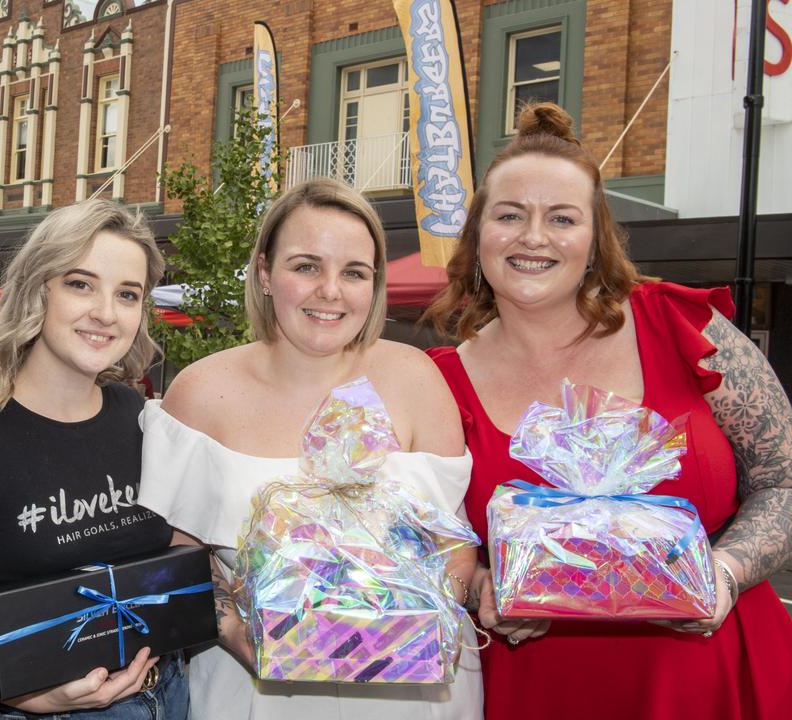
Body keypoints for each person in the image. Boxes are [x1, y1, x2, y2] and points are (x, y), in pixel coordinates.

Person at [423, 102, 792, 720]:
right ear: (477, 235)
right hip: (535, 688)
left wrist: (723, 574)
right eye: (510, 215)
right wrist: (478, 587)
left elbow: (784, 479)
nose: (533, 237)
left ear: (595, 240)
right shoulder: (436, 383)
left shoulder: (684, 327)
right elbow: (424, 541)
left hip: (711, 676)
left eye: (561, 218)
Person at [137, 178, 483, 719]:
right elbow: (181, 556)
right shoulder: (201, 391)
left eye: (353, 272)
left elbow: (455, 546)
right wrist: (239, 636)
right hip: (251, 693)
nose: (330, 291)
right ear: (264, 273)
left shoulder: (416, 377)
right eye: (305, 266)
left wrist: (414, 623)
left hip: (413, 689)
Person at [0, 199, 186, 719]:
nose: (106, 313)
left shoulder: (139, 417)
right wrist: (23, 688)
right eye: (80, 283)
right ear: (37, 289)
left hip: (161, 698)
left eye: (127, 294)